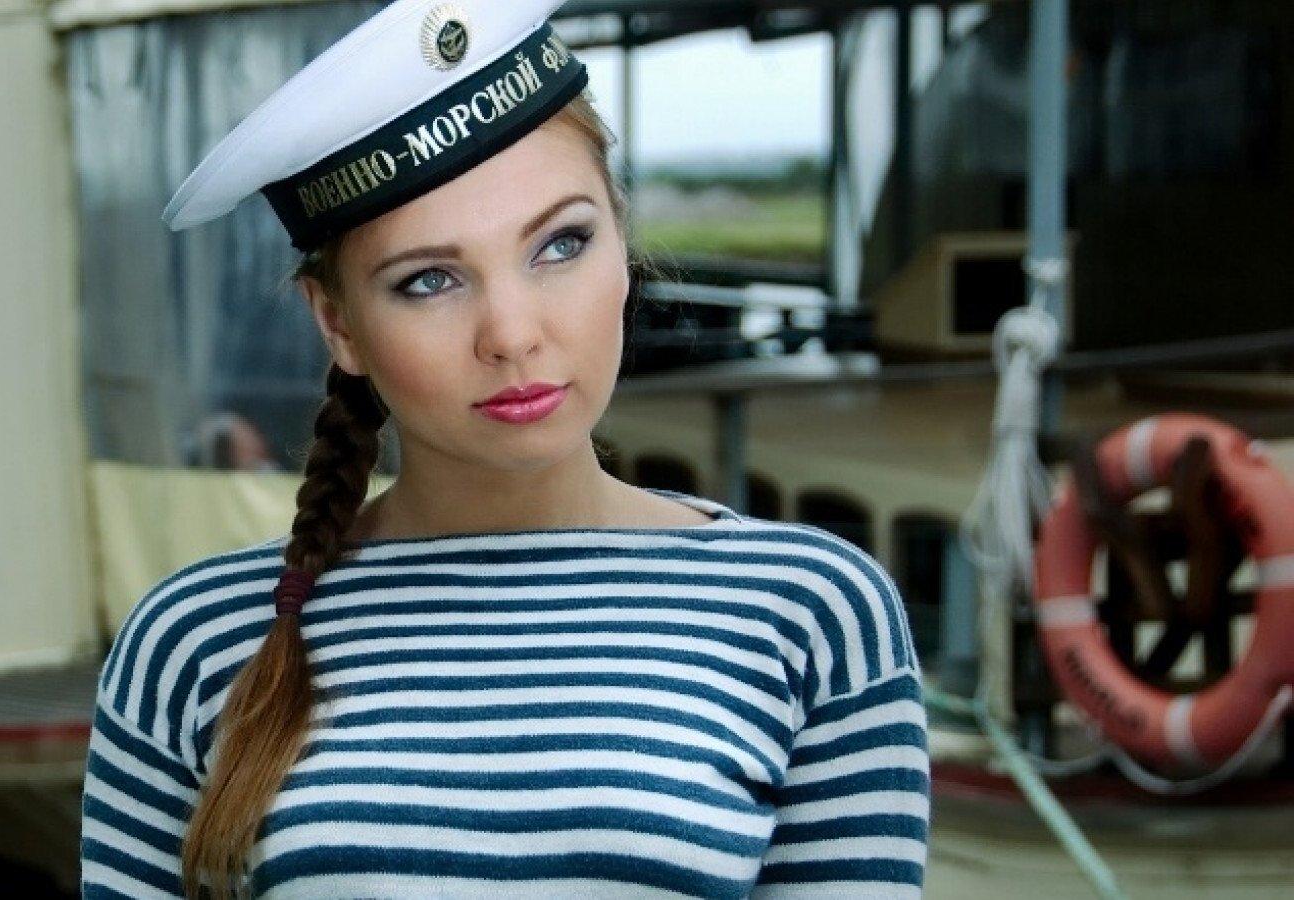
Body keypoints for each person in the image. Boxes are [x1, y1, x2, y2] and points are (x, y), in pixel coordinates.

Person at [80, 2, 930, 897]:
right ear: (339, 325)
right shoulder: (197, 640)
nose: (512, 334)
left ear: (623, 244)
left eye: (562, 244)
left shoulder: (810, 614)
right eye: (429, 280)